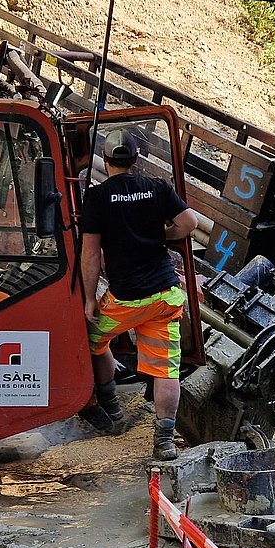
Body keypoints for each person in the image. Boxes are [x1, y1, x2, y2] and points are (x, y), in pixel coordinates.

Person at [81, 127, 198, 460]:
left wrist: (90, 298)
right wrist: (167, 233)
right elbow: (188, 223)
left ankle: (111, 408)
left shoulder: (98, 197)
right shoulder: (156, 187)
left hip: (126, 299)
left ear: (105, 159)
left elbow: (90, 254)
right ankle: (164, 441)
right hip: (164, 295)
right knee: (165, 370)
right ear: (135, 159)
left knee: (92, 340)